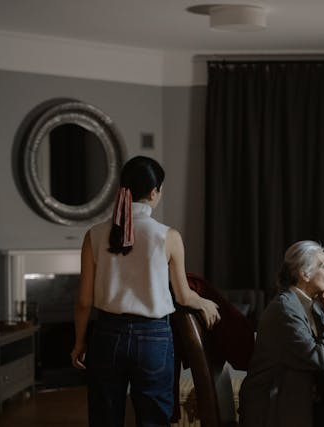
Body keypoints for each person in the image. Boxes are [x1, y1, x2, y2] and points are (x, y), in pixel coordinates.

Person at [71, 156, 221, 427]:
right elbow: (184, 296)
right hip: (153, 338)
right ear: (154, 192)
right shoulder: (168, 236)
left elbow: (84, 301)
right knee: (154, 420)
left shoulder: (93, 234)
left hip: (106, 335)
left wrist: (79, 342)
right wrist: (205, 303)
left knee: (105, 419)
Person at [238, 240, 324, 427]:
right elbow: (320, 359)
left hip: (302, 400)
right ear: (304, 273)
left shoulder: (312, 305)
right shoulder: (285, 309)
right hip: (275, 408)